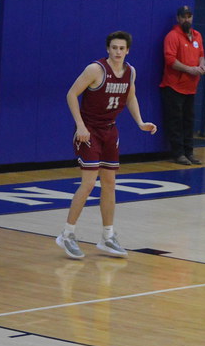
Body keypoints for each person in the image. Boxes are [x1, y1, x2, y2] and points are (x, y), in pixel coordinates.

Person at [59, 32, 157, 259]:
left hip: (110, 130)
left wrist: (140, 122)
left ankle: (107, 236)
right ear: (108, 49)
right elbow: (72, 94)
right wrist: (80, 126)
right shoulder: (95, 70)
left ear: (128, 51)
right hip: (89, 130)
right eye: (114, 48)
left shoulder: (130, 72)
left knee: (110, 183)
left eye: (122, 48)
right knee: (89, 182)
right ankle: (67, 234)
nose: (118, 52)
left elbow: (130, 97)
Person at [160, 6, 205, 165]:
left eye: (189, 16)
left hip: (191, 87)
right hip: (174, 86)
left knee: (189, 121)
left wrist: (202, 66)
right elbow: (170, 60)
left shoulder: (197, 36)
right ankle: (178, 153)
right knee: (176, 121)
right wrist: (189, 69)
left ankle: (190, 152)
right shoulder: (172, 36)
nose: (187, 20)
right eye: (183, 17)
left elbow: (201, 55)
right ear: (178, 18)